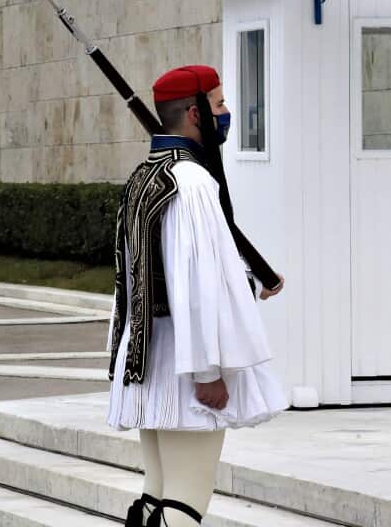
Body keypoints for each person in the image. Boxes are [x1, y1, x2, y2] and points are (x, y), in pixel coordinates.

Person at [108, 65, 289, 526]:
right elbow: (196, 282)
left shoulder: (144, 176)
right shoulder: (191, 183)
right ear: (195, 114)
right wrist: (208, 371)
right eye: (219, 103)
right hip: (186, 364)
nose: (226, 112)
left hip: (151, 358)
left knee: (156, 496)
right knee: (185, 503)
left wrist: (253, 281)